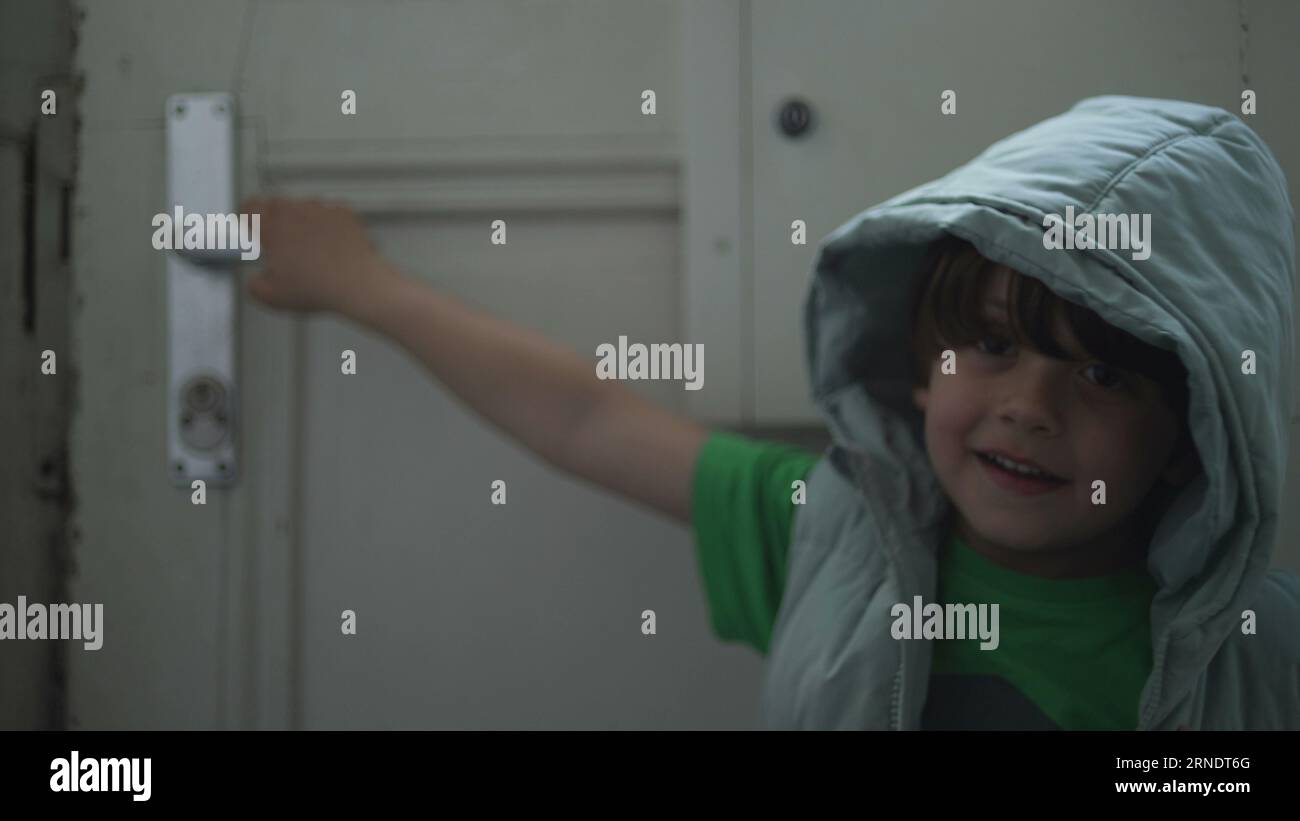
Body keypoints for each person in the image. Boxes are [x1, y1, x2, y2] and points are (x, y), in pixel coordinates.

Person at [243, 96, 1299, 729]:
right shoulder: (828, 535)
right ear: (916, 368)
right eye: (990, 343)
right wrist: (362, 286)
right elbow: (585, 418)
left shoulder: (1260, 653)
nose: (1027, 405)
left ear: (1192, 434)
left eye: (1103, 374)